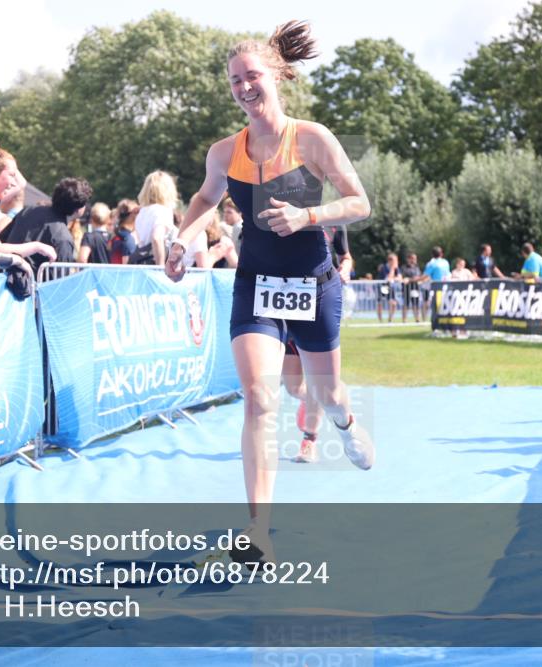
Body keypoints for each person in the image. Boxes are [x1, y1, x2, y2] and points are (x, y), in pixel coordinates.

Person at [163, 20, 374, 565]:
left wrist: (308, 214)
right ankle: (258, 531)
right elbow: (205, 200)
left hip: (315, 284)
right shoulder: (223, 151)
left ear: (276, 77)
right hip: (255, 285)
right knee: (259, 398)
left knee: (327, 397)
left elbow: (358, 204)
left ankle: (347, 426)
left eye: (251, 76)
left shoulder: (311, 138)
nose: (242, 88)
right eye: (234, 81)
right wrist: (182, 242)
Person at [282, 224, 353, 463]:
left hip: (318, 303)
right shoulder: (278, 211)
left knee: (317, 383)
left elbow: (346, 256)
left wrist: (346, 268)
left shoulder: (334, 219)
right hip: (284, 303)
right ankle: (328, 396)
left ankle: (309, 442)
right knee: (293, 387)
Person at [2, 177, 93, 272]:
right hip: (32, 285)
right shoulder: (63, 239)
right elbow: (59, 281)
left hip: (5, 279)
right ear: (78, 209)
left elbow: (1, 242)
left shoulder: (28, 211)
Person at [131, 170, 178, 265]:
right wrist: (160, 266)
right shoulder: (163, 211)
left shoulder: (142, 212)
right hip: (154, 263)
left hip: (141, 261)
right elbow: (157, 238)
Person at [109, 199, 138, 264]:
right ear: (132, 215)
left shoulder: (117, 234)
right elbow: (128, 268)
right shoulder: (127, 238)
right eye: (137, 212)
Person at [376, 251, 401, 323]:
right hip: (382, 287)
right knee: (380, 303)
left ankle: (390, 319)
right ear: (390, 261)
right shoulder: (384, 268)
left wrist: (394, 278)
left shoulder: (396, 268)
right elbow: (388, 278)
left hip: (390, 287)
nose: (396, 262)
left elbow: (399, 277)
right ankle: (380, 321)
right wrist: (393, 269)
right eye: (395, 260)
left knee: (394, 303)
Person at [401, 252, 424, 322]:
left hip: (415, 288)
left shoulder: (417, 268)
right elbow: (404, 278)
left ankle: (417, 319)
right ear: (409, 259)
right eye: (413, 259)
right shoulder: (404, 267)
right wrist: (413, 279)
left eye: (415, 259)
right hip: (406, 288)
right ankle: (404, 319)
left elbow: (418, 277)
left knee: (416, 304)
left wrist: (411, 279)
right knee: (406, 304)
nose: (414, 260)